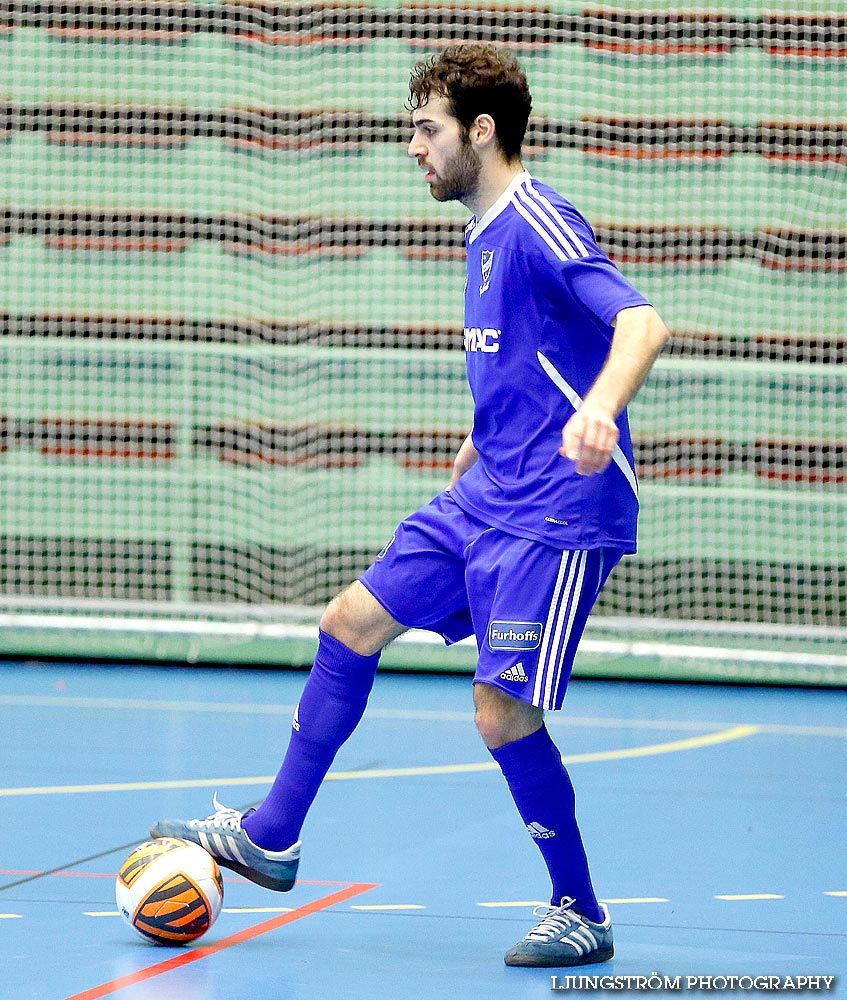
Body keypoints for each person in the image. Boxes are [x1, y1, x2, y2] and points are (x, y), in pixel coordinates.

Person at [152, 43, 670, 968]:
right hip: (486, 490)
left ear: (480, 131)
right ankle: (272, 835)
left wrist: (598, 410)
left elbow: (639, 322)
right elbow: (529, 354)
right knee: (348, 621)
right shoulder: (482, 231)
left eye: (426, 129)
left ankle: (579, 909)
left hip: (553, 509)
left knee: (500, 716)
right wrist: (486, 430)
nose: (412, 147)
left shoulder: (539, 220)